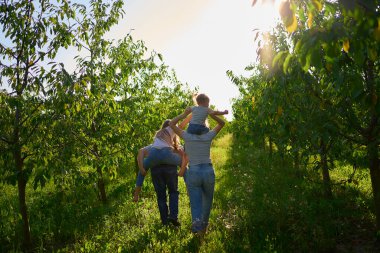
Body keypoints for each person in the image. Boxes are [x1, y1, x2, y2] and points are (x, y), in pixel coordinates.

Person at [169, 107, 226, 234]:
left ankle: (197, 227)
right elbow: (222, 123)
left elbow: (171, 123)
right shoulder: (208, 136)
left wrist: (185, 113)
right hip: (208, 171)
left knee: (196, 203)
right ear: (204, 125)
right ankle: (203, 230)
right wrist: (211, 114)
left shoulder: (187, 136)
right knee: (207, 203)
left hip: (193, 172)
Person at [133, 117, 190, 202]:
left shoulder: (156, 142)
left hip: (154, 156)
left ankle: (136, 195)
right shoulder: (172, 134)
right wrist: (182, 167)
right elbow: (184, 156)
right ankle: (189, 189)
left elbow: (141, 151)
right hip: (167, 156)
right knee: (185, 168)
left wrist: (141, 168)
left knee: (142, 172)